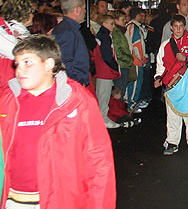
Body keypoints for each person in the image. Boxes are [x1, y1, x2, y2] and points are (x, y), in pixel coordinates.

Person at [0, 35, 116, 208]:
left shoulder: (76, 102)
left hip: (61, 199)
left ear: (48, 64)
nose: (19, 70)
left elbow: (99, 161)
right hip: (14, 199)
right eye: (17, 63)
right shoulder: (8, 100)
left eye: (28, 62)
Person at [155, 15, 188, 154]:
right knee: (172, 116)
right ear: (171, 27)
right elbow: (161, 65)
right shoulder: (165, 45)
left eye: (181, 26)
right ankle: (172, 142)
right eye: (175, 26)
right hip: (172, 85)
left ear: (185, 27)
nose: (178, 29)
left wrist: (187, 58)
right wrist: (158, 77)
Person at [51, 0, 90, 86]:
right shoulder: (68, 31)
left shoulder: (65, 28)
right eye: (84, 8)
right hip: (72, 83)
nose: (85, 12)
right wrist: (78, 81)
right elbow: (65, 61)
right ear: (77, 10)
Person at [95, 14, 121, 129]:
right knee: (103, 95)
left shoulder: (102, 35)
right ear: (104, 24)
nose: (113, 26)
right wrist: (114, 65)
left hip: (103, 70)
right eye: (111, 24)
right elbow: (106, 56)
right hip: (105, 70)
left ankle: (103, 117)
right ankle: (103, 118)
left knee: (103, 94)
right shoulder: (105, 37)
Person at [126, 7, 149, 110]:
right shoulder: (135, 28)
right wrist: (143, 58)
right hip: (136, 61)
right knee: (136, 83)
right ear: (138, 15)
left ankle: (130, 102)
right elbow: (137, 45)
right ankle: (132, 104)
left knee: (131, 83)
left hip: (130, 59)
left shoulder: (128, 26)